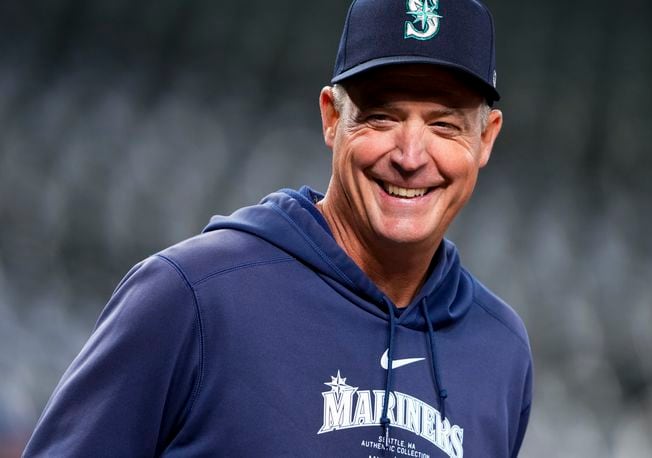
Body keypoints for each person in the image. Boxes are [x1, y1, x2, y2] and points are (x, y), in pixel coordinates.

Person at [24, 0, 533, 456]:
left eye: (444, 125)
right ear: (332, 118)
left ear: (486, 139)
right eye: (380, 117)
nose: (410, 155)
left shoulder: (501, 351)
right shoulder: (191, 296)